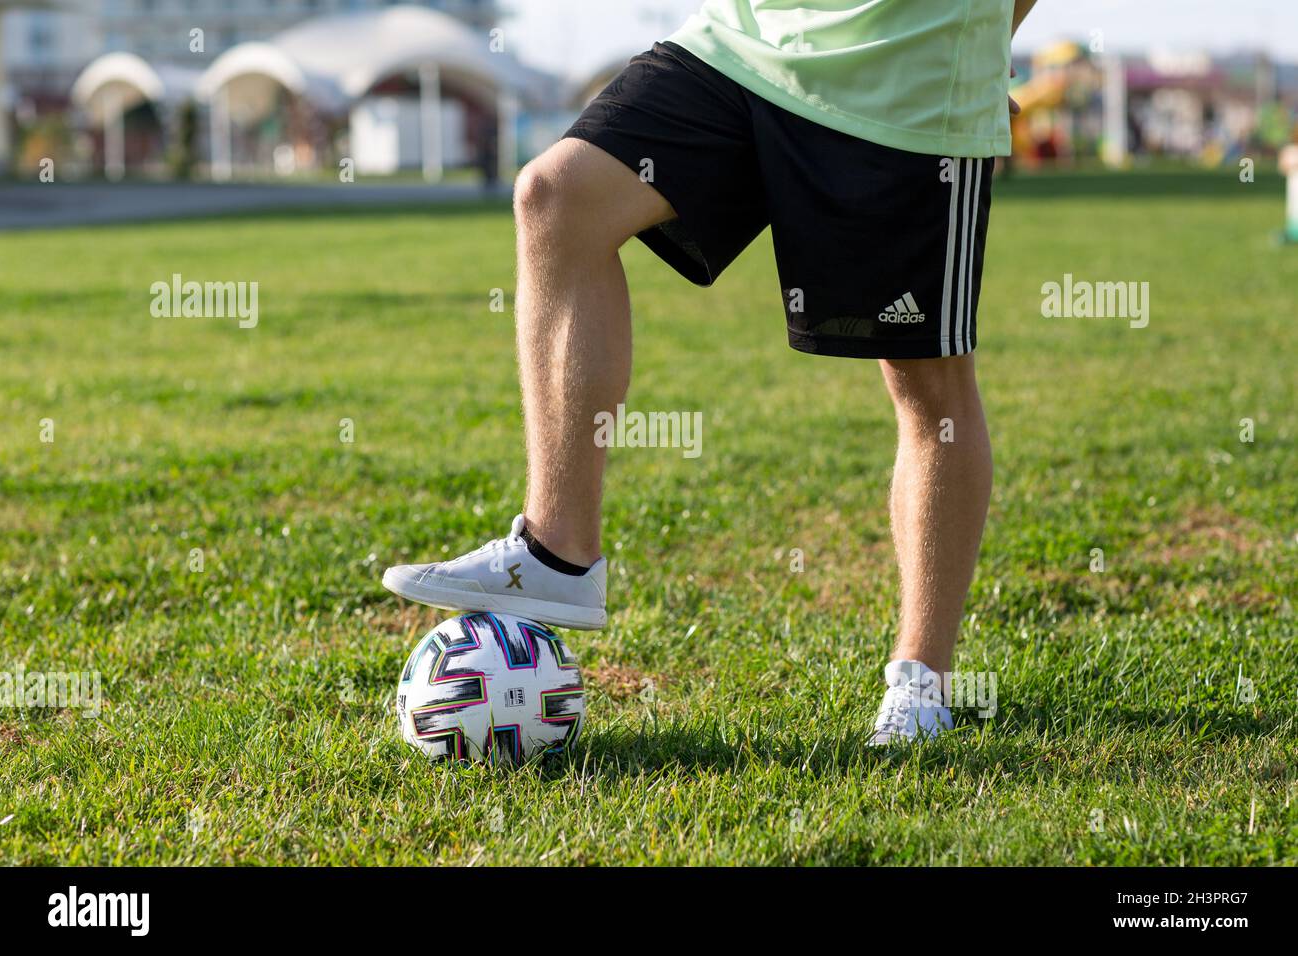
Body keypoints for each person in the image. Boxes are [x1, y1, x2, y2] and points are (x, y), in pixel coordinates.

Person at [384, 0, 1039, 744]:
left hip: (910, 70)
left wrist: (987, 46)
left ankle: (924, 679)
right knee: (558, 194)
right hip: (746, 39)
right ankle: (557, 551)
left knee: (926, 385)